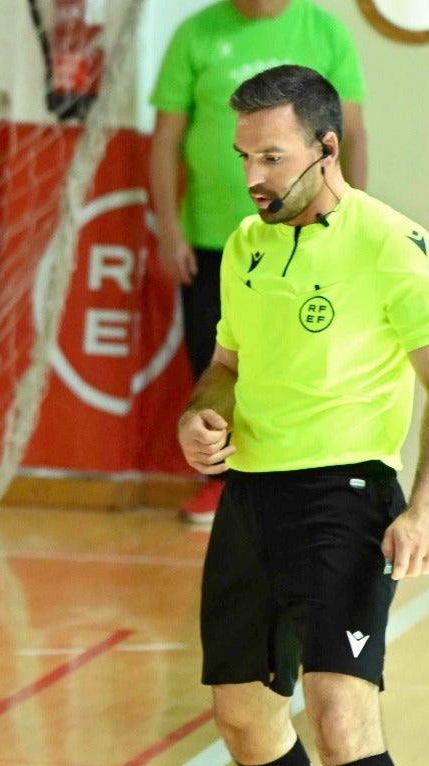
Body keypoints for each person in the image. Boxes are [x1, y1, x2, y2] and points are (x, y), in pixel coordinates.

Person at [177, 65, 429, 766]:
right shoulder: (246, 241)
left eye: (272, 156)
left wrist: (427, 506)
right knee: (244, 717)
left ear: (326, 146)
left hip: (345, 496)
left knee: (342, 717)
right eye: (244, 157)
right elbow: (226, 358)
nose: (253, 175)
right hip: (252, 498)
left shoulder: (393, 245)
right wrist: (203, 410)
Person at [150, 0, 367, 524]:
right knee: (214, 360)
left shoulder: (326, 32)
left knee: (296, 361)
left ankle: (289, 482)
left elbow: (352, 134)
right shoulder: (196, 34)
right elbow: (165, 141)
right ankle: (219, 483)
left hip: (303, 236)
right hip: (212, 238)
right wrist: (168, 229)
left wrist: (347, 223)